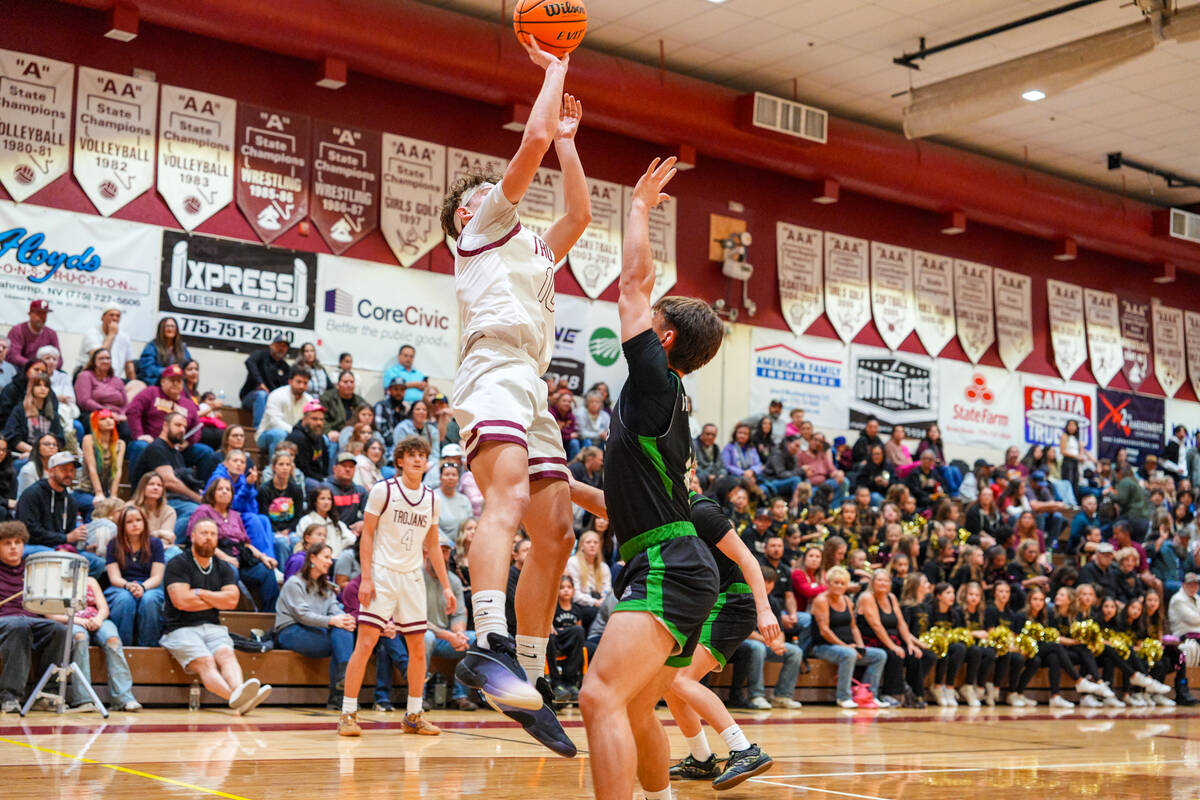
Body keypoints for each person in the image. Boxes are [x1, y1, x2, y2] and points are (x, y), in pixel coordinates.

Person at [439, 39, 591, 756]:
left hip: (530, 382)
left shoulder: (531, 249)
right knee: (502, 504)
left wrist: (568, 144)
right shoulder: (479, 234)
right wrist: (555, 64)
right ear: (463, 220)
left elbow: (581, 214)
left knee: (557, 531)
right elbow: (527, 138)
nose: (486, 194)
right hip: (492, 367)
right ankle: (488, 639)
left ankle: (527, 678)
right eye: (474, 195)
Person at [570, 156, 729, 800]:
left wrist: (637, 206)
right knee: (634, 708)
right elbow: (623, 503)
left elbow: (632, 284)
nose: (639, 318)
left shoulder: (656, 388)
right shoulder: (664, 404)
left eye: (649, 321)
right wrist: (556, 483)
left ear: (661, 341)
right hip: (667, 557)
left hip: (669, 563)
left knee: (598, 694)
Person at [338, 435, 457, 737]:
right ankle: (348, 714)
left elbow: (432, 544)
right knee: (366, 644)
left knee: (418, 648)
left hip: (413, 577)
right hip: (382, 574)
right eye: (412, 455)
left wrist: (446, 587)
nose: (418, 459)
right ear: (400, 460)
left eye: (422, 455)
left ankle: (413, 715)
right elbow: (367, 535)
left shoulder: (432, 498)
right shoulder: (383, 490)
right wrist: (366, 577)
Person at [160, 518, 272, 714]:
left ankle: (239, 695)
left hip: (212, 626)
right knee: (206, 662)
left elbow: (231, 601)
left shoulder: (223, 567)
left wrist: (199, 593)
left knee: (227, 655)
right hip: (179, 629)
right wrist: (215, 598)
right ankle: (237, 699)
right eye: (204, 533)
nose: (209, 538)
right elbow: (181, 602)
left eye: (213, 534)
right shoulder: (178, 563)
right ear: (193, 537)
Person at [0, 520, 71, 713]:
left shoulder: (33, 570)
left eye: (17, 542)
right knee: (18, 625)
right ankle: (9, 696)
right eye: (7, 543)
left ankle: (45, 694)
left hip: (32, 620)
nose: (13, 547)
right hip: (5, 622)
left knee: (60, 630)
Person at [274, 542, 357, 708]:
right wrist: (333, 621)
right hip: (291, 630)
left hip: (316, 629)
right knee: (339, 641)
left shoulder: (326, 587)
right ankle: (339, 692)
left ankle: (342, 680)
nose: (330, 562)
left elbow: (334, 610)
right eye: (326, 557)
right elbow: (302, 615)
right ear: (312, 558)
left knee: (343, 630)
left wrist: (344, 619)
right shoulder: (294, 583)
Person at [187, 477, 280, 612]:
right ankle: (234, 613)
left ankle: (269, 616)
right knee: (231, 570)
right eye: (220, 489)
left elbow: (246, 544)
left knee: (266, 571)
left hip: (240, 557)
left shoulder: (235, 515)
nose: (224, 492)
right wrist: (226, 558)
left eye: (228, 489)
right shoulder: (203, 511)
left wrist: (263, 557)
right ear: (212, 492)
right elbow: (199, 541)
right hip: (214, 557)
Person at [16, 452, 104, 578]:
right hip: (31, 546)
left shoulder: (71, 501)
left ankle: (72, 591)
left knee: (98, 562)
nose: (69, 474)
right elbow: (30, 531)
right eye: (63, 470)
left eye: (72, 470)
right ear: (51, 471)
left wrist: (84, 547)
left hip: (59, 547)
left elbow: (69, 534)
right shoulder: (32, 494)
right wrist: (65, 539)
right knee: (58, 556)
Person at [809, 566, 887, 708]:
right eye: (836, 582)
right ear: (828, 583)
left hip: (848, 647)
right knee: (849, 654)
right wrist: (845, 646)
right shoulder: (821, 600)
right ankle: (843, 697)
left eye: (842, 583)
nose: (839, 586)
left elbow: (853, 627)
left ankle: (868, 695)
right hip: (822, 647)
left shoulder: (846, 600)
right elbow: (824, 631)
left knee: (880, 655)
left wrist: (860, 646)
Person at [857, 568, 932, 708]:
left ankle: (915, 694)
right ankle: (890, 694)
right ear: (873, 582)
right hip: (871, 640)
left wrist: (910, 643)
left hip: (891, 639)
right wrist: (892, 646)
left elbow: (901, 623)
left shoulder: (891, 597)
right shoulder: (867, 597)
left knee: (914, 654)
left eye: (886, 580)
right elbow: (876, 625)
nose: (882, 583)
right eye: (879, 580)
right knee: (894, 654)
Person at [424, 532, 478, 711]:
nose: (444, 556)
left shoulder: (453, 581)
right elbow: (416, 621)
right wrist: (448, 635)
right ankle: (419, 697)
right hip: (416, 636)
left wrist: (459, 633)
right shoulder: (415, 576)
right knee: (426, 638)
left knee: (476, 639)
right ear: (427, 551)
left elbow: (459, 614)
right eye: (440, 551)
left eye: (447, 552)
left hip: (445, 638)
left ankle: (460, 695)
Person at [126, 364, 213, 472]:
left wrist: (188, 442)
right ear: (163, 381)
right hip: (150, 443)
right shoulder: (151, 392)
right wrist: (139, 435)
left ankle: (202, 488)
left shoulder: (188, 404)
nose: (175, 383)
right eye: (172, 380)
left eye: (179, 381)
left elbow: (197, 427)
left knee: (206, 452)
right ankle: (138, 488)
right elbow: (133, 412)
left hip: (176, 448)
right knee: (140, 446)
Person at [129, 412, 203, 538]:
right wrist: (198, 499)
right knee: (196, 511)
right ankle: (163, 542)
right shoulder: (156, 448)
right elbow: (169, 481)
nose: (182, 429)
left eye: (184, 427)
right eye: (178, 425)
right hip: (149, 500)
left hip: (171, 499)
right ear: (165, 425)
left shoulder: (176, 453)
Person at [104, 505, 166, 647]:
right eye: (129, 522)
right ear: (122, 526)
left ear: (144, 522)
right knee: (125, 599)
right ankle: (122, 647)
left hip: (149, 585)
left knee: (149, 600)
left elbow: (157, 577)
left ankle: (148, 648)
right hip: (121, 586)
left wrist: (143, 587)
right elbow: (114, 577)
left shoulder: (156, 544)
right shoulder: (114, 544)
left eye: (138, 520)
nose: (135, 524)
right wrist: (128, 585)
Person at [75, 349, 131, 440]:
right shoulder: (85, 376)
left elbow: (125, 404)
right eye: (101, 358)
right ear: (94, 361)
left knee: (127, 431)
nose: (105, 361)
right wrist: (107, 413)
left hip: (117, 417)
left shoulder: (117, 380)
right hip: (94, 413)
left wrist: (122, 415)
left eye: (108, 358)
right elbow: (84, 401)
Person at [257, 366, 313, 458]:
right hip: (267, 435)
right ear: (290, 381)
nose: (301, 386)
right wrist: (295, 433)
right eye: (298, 382)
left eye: (305, 383)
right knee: (280, 434)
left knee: (322, 439)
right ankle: (275, 469)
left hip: (296, 435)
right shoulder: (277, 395)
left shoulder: (309, 400)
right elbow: (275, 422)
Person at [3, 374, 63, 457]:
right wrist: (35, 452)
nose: (43, 388)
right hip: (24, 455)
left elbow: (60, 440)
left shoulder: (53, 414)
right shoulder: (20, 410)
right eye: (38, 385)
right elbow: (13, 438)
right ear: (31, 388)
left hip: (48, 456)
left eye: (46, 386)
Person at [239, 335, 292, 427]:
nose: (281, 348)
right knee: (262, 394)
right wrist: (261, 383)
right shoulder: (261, 355)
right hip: (251, 397)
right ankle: (258, 429)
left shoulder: (286, 368)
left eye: (284, 346)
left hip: (271, 402)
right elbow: (249, 362)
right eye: (279, 344)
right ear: (271, 345)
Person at [76, 302, 136, 382]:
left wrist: (133, 382)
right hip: (91, 376)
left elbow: (129, 365)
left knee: (139, 385)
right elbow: (98, 358)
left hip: (114, 379)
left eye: (118, 316)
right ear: (103, 317)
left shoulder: (124, 337)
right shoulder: (92, 334)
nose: (115, 318)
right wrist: (111, 335)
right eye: (111, 315)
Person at [78, 410, 124, 506]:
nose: (108, 421)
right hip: (85, 491)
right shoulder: (88, 440)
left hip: (105, 492)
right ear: (95, 423)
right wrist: (98, 493)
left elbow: (118, 470)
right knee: (100, 506)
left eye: (111, 418)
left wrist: (113, 495)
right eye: (103, 419)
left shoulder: (120, 444)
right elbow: (92, 467)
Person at [296, 485, 356, 557]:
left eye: (329, 499)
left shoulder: (337, 523)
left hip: (336, 559)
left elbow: (351, 539)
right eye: (322, 498)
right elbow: (303, 543)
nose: (326, 502)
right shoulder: (306, 520)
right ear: (315, 502)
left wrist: (340, 548)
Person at [286, 400, 331, 490]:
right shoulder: (297, 438)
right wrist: (322, 479)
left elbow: (325, 461)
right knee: (318, 487)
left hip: (317, 477)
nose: (319, 423)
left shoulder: (318, 436)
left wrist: (325, 477)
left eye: (321, 420)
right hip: (300, 478)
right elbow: (303, 469)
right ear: (304, 419)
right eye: (314, 419)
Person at [6, 300, 59, 370]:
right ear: (30, 313)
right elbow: (13, 356)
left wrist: (47, 365)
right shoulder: (18, 330)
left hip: (44, 370)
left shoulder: (51, 333)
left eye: (44, 314)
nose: (42, 317)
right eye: (39, 313)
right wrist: (35, 365)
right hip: (21, 369)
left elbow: (59, 359)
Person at [136, 317, 190, 384]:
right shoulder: (152, 346)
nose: (170, 329)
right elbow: (148, 369)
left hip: (177, 383)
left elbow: (188, 365)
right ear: (161, 329)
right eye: (167, 326)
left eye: (172, 326)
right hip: (156, 383)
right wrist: (168, 371)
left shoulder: (182, 347)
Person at [132, 472, 178, 547]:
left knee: (176, 551)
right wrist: (159, 533)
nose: (156, 488)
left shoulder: (169, 511)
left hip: (160, 548)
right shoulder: (130, 508)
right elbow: (133, 536)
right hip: (135, 548)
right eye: (151, 484)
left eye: (159, 485)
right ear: (142, 487)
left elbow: (166, 539)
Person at [321, 371, 368, 440]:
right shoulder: (326, 398)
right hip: (333, 434)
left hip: (355, 435)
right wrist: (328, 431)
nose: (349, 385)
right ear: (338, 385)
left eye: (352, 382)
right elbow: (321, 418)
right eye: (345, 382)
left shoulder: (360, 401)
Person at [374, 376, 409, 450]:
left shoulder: (404, 409)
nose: (399, 392)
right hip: (383, 446)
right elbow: (380, 429)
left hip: (401, 447)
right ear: (389, 390)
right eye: (396, 389)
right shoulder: (381, 406)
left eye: (402, 390)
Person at [692, 423, 728, 495]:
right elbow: (693, 465)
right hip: (701, 477)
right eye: (708, 434)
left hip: (715, 477)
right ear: (702, 434)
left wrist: (721, 474)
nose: (710, 437)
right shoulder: (693, 445)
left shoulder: (715, 447)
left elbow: (722, 466)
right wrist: (708, 476)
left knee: (727, 480)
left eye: (713, 435)